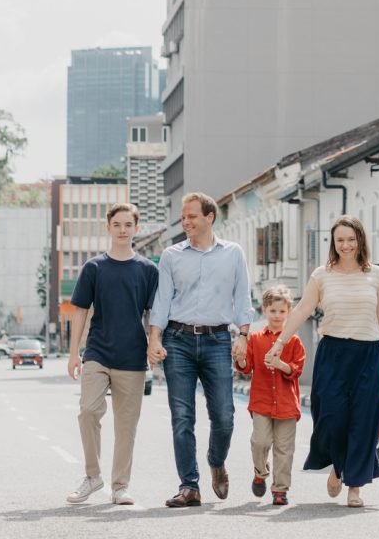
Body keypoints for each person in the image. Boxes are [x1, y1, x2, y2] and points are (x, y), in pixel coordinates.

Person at [266, 214, 379, 509]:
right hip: (334, 354)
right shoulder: (321, 275)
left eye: (351, 239)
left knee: (363, 422)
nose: (346, 245)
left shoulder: (376, 275)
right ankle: (338, 467)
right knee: (331, 416)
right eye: (340, 240)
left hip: (370, 354)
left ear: (360, 240)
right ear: (333, 243)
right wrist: (279, 342)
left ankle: (355, 486)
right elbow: (301, 310)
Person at [147, 191, 253, 508]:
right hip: (177, 340)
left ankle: (216, 461)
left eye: (192, 216)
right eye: (183, 217)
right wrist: (154, 338)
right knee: (182, 417)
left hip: (217, 339)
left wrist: (243, 335)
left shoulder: (233, 253)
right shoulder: (171, 255)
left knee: (224, 416)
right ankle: (189, 486)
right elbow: (162, 300)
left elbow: (242, 297)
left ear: (210, 217)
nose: (186, 222)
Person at [65, 202, 159, 506]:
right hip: (97, 352)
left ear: (136, 228)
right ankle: (92, 476)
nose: (122, 230)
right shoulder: (94, 267)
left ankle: (120, 486)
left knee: (126, 426)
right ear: (108, 228)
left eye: (128, 225)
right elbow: (80, 311)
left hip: (132, 357)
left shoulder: (148, 270)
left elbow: (153, 313)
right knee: (88, 411)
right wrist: (73, 353)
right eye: (117, 224)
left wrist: (153, 342)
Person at [235, 285, 306, 507]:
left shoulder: (294, 341)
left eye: (282, 311)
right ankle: (260, 473)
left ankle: (280, 490)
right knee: (260, 442)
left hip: (287, 404)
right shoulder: (255, 338)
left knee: (285, 449)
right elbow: (246, 367)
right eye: (272, 311)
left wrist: (280, 364)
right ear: (264, 310)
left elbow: (297, 370)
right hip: (261, 401)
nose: (277, 315)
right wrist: (240, 358)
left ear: (289, 312)